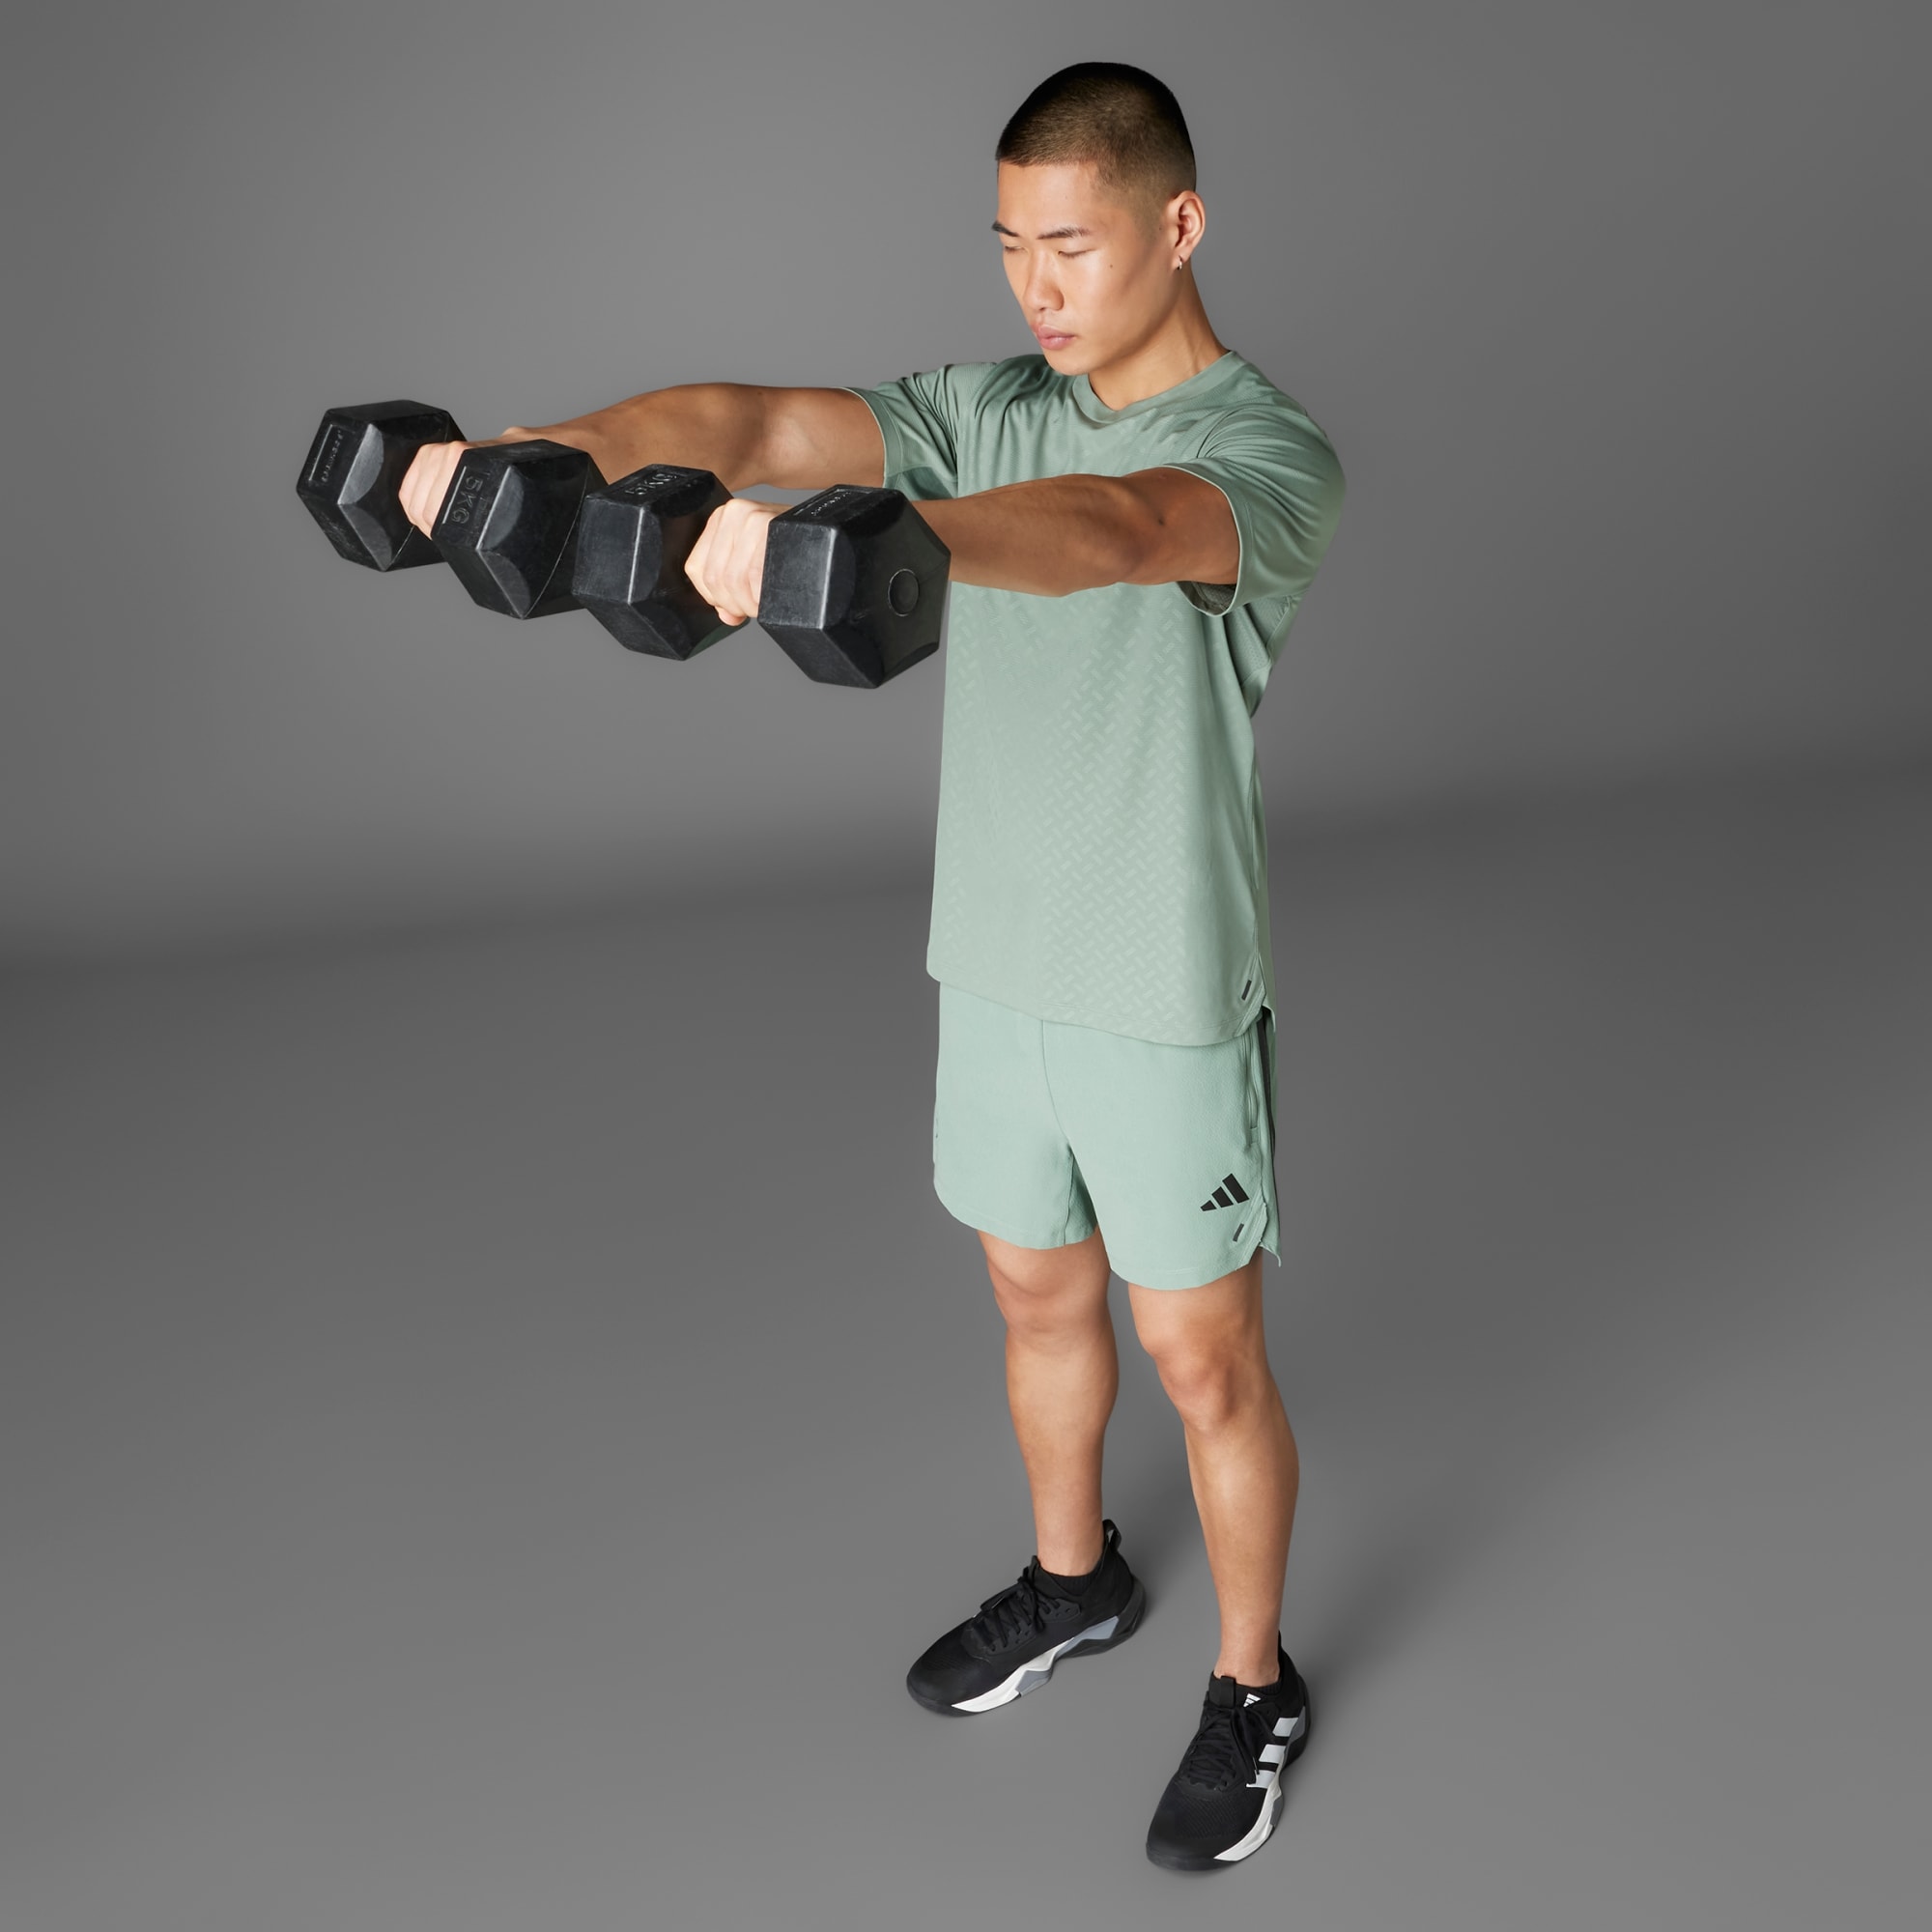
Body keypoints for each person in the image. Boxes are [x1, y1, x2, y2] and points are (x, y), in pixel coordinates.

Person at [400, 61, 1344, 1871]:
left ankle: (1252, 1688)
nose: (1037, 288)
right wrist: (543, 456)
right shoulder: (981, 407)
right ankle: (1074, 1582)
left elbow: (1121, 534)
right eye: (1009, 247)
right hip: (992, 960)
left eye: (1071, 245)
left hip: (1157, 985)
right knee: (1035, 1302)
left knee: (1203, 1362)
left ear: (1178, 226)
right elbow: (752, 419)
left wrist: (889, 539)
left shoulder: (1265, 451)